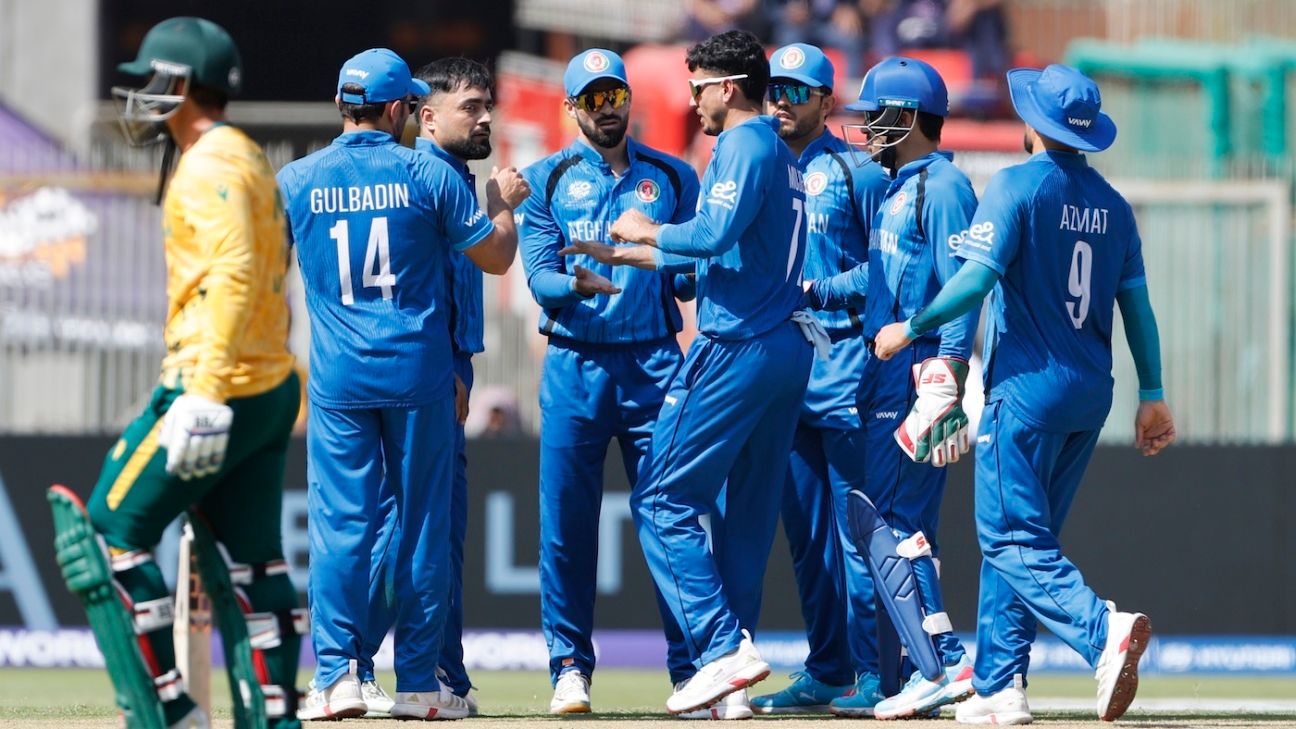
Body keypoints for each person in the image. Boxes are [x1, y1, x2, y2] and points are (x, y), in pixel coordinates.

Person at [871, 63, 1175, 725]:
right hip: (1090, 394)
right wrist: (1153, 392)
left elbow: (974, 282)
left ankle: (1102, 631)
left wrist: (911, 329)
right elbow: (1139, 310)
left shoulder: (1014, 185)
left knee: (1010, 539)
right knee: (1021, 542)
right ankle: (999, 685)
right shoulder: (1114, 206)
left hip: (1027, 390)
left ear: (1035, 124)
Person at [561, 30, 823, 716]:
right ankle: (732, 680)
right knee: (745, 519)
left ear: (728, 88)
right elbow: (727, 256)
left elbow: (710, 236)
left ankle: (719, 649)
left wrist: (646, 230)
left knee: (660, 500)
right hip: (785, 348)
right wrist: (625, 256)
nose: (691, 100)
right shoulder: (782, 152)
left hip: (738, 347)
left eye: (699, 86)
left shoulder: (743, 143)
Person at [57, 16, 304, 729]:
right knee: (255, 561)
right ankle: (277, 715)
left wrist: (204, 391)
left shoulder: (208, 164)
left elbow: (233, 274)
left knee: (108, 532)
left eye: (151, 78)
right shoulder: (246, 154)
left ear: (181, 82)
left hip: (214, 382)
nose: (141, 93)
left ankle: (169, 707)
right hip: (267, 384)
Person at [277, 47, 524, 721]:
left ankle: (337, 677)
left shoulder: (296, 179)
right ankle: (417, 685)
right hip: (418, 373)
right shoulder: (428, 172)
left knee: (340, 529)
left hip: (338, 378)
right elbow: (495, 258)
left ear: (339, 104)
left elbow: (264, 270)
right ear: (396, 110)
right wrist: (500, 207)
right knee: (420, 528)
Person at [515, 48, 704, 715]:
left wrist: (674, 260)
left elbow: (692, 275)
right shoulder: (546, 178)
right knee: (567, 525)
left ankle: (692, 668)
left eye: (615, 96)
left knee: (672, 516)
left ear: (629, 99)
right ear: (571, 107)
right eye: (592, 99)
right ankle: (569, 666)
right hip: (575, 363)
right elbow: (537, 276)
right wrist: (574, 285)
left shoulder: (674, 176)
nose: (607, 109)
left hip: (655, 363)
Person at [806, 55, 977, 718]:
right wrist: (814, 288)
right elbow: (877, 276)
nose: (867, 127)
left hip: (918, 368)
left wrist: (947, 372)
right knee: (888, 521)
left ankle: (943, 661)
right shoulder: (896, 185)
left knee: (893, 521)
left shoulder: (945, 186)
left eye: (877, 115)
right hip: (883, 370)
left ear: (907, 118)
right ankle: (915, 669)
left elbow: (963, 285)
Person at [353, 56, 515, 719]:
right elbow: (416, 288)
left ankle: (443, 671)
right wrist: (445, 365)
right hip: (428, 369)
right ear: (425, 116)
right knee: (406, 528)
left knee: (438, 533)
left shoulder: (448, 175)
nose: (485, 118)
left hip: (447, 364)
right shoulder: (426, 178)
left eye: (487, 106)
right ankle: (352, 664)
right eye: (470, 107)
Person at [743, 43, 891, 717]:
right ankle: (829, 668)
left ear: (828, 101)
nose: (782, 101)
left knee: (860, 537)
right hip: (782, 376)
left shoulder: (858, 171)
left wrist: (821, 289)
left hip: (846, 373)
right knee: (806, 540)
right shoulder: (758, 164)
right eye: (775, 89)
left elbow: (889, 266)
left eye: (797, 91)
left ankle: (877, 672)